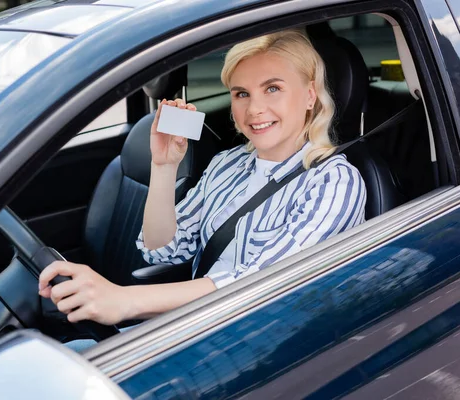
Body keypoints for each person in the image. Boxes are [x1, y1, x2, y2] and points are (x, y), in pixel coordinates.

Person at [39, 29, 366, 330]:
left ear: (310, 95)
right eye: (241, 94)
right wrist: (164, 167)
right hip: (201, 327)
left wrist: (124, 300)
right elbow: (160, 251)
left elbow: (258, 285)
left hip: (266, 338)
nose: (254, 109)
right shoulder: (227, 165)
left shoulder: (334, 182)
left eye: (273, 88)